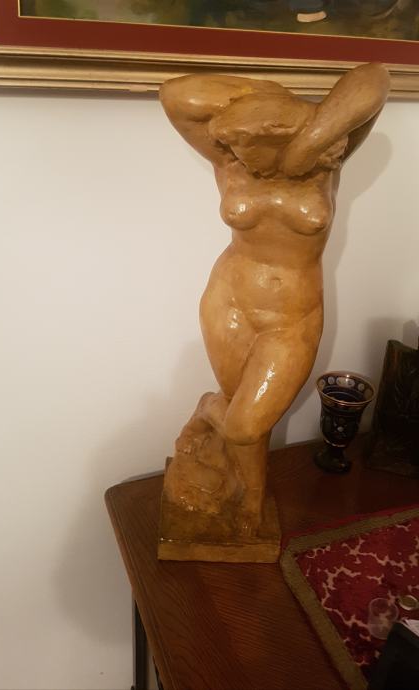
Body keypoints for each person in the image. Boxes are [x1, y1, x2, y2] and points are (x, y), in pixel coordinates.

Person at [160, 64, 390, 538]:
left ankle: (211, 419)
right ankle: (249, 492)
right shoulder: (230, 160)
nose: (238, 154)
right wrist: (263, 100)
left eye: (250, 146)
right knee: (242, 414)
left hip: (291, 319)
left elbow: (375, 78)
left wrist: (306, 141)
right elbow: (175, 95)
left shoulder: (328, 162)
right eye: (235, 145)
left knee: (244, 425)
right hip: (228, 302)